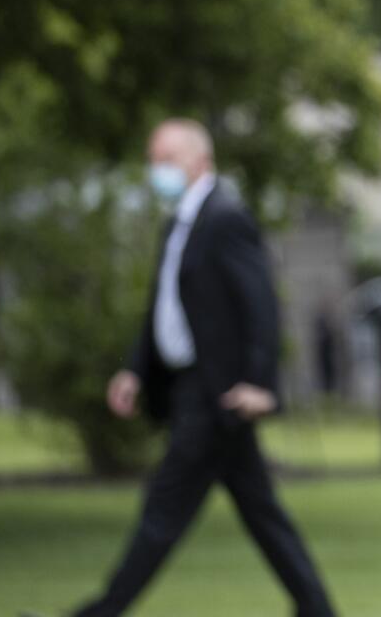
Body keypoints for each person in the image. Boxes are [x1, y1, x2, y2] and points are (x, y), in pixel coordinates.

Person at [71, 119, 335, 617]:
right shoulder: (178, 222)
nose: (156, 172)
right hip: (192, 387)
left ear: (199, 160)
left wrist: (261, 385)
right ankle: (317, 609)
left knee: (162, 511)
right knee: (262, 514)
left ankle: (100, 613)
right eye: (153, 162)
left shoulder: (225, 216)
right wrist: (135, 371)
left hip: (218, 395)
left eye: (165, 160)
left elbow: (261, 306)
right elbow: (163, 309)